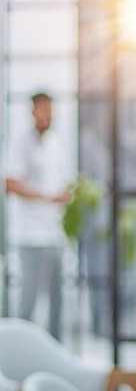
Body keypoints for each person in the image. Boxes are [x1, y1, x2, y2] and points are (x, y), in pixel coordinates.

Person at [5, 92, 72, 341]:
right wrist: (47, 198)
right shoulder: (22, 144)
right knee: (29, 300)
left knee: (58, 301)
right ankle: (19, 355)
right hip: (31, 236)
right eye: (42, 110)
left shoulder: (55, 143)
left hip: (54, 234)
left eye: (50, 111)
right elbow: (10, 183)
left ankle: (56, 357)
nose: (46, 115)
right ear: (33, 112)